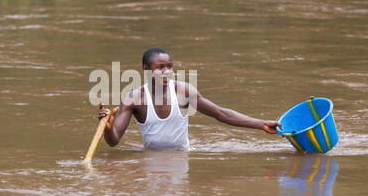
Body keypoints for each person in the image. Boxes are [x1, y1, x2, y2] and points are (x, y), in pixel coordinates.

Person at [99, 47, 282, 151]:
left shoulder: (184, 92)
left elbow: (221, 113)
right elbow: (114, 140)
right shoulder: (133, 98)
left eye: (169, 67)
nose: (167, 72)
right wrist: (107, 128)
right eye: (160, 67)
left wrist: (261, 124)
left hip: (182, 156)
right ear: (146, 70)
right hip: (151, 158)